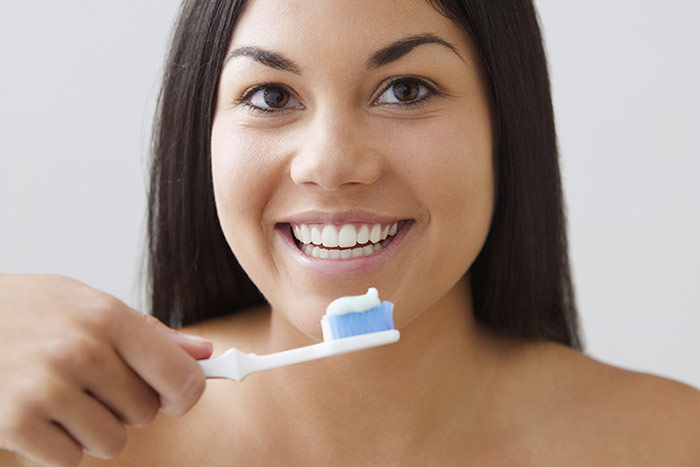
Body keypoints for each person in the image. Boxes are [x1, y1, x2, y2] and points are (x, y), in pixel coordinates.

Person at [1, 0, 699, 465]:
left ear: (504, 128)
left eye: (406, 90)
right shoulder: (64, 445)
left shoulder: (673, 441)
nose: (331, 164)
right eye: (271, 96)